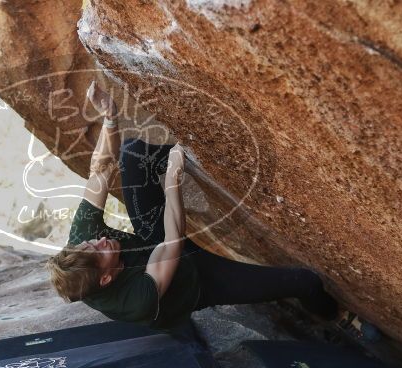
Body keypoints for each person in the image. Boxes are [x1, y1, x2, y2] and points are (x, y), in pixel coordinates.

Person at [45, 81, 339, 333]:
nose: (100, 240)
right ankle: (333, 318)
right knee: (305, 282)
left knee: (133, 153)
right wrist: (172, 180)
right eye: (100, 250)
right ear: (106, 278)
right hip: (195, 280)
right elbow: (173, 243)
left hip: (152, 242)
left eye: (92, 242)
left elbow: (100, 171)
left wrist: (110, 117)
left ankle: (205, 148)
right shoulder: (134, 301)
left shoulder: (82, 243)